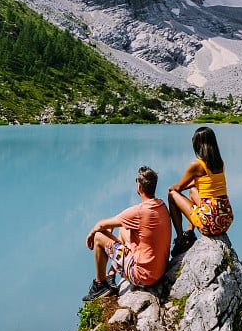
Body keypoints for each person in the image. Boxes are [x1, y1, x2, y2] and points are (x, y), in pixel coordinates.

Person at [82, 165, 172, 301]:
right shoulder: (161, 205)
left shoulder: (138, 212)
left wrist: (92, 234)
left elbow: (101, 225)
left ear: (139, 187)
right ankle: (111, 274)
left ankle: (100, 284)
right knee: (124, 228)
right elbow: (116, 223)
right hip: (159, 270)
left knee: (99, 237)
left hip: (144, 277)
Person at [168, 126, 233, 257]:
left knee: (171, 195)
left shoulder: (196, 165)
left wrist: (173, 187)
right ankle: (190, 232)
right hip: (225, 220)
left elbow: (177, 188)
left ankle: (181, 239)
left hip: (210, 223)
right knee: (193, 191)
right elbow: (202, 182)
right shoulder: (220, 163)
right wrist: (190, 185)